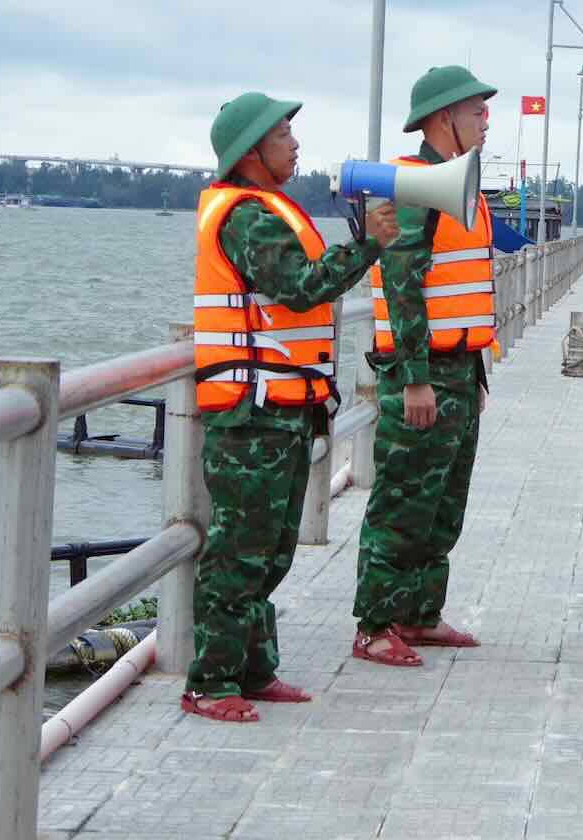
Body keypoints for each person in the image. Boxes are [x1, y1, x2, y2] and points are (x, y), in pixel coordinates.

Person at [183, 92, 399, 722]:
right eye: (283, 134)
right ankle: (210, 683)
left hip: (279, 407)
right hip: (251, 412)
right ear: (251, 151)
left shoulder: (267, 209)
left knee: (271, 549)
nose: (295, 144)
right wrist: (368, 247)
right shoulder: (249, 217)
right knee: (241, 550)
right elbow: (300, 289)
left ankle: (253, 671)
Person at [350, 66, 497, 666]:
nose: (487, 121)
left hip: (460, 369)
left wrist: (476, 372)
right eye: (477, 111)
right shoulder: (417, 187)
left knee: (442, 502)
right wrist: (413, 378)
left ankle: (419, 614)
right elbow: (403, 284)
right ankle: (376, 622)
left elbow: (460, 284)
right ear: (444, 120)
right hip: (425, 372)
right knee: (403, 500)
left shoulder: (458, 183)